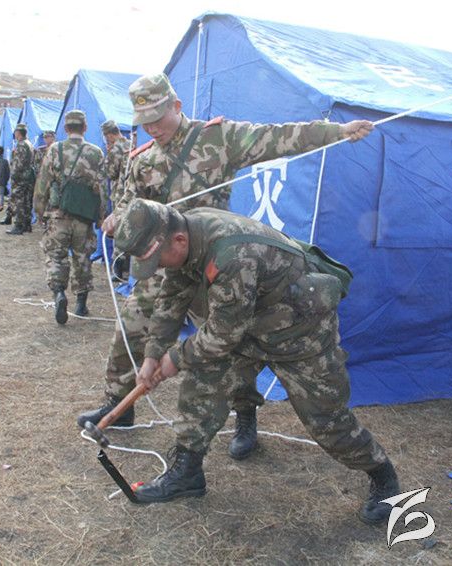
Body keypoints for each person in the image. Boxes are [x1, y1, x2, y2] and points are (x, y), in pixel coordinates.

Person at [78, 73, 374, 461]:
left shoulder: (217, 139)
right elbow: (128, 204)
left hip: (212, 267)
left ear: (176, 106)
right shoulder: (143, 160)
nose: (152, 128)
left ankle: (245, 415)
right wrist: (116, 218)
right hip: (160, 266)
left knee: (229, 348)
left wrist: (337, 132)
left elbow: (278, 138)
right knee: (130, 327)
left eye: (157, 118)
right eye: (143, 122)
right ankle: (119, 402)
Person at [111, 199, 400, 523]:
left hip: (298, 330)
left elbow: (223, 334)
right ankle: (187, 472)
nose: (159, 268)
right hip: (246, 322)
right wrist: (153, 355)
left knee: (326, 419)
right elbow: (172, 298)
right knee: (204, 383)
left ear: (178, 240)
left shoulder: (231, 254)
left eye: (158, 260)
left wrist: (174, 359)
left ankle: (382, 474)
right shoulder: (184, 234)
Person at [34, 110, 103, 324]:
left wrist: (39, 211)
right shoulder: (96, 153)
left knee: (56, 257)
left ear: (65, 129)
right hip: (84, 217)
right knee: (82, 258)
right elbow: (101, 189)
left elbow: (43, 183)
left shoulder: (55, 150)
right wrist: (101, 217)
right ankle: (81, 304)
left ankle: (59, 294)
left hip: (58, 215)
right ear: (85, 128)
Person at [100, 119, 132, 279]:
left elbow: (110, 173)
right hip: (131, 193)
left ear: (110, 135)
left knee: (118, 230)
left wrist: (108, 155)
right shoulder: (130, 144)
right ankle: (127, 268)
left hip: (119, 195)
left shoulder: (115, 149)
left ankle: (118, 269)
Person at [2, 123, 35, 235]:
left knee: (19, 202)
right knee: (27, 202)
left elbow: (18, 164)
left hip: (20, 178)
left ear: (18, 133)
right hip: (27, 177)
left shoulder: (21, 145)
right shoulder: (29, 143)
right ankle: (27, 225)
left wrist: (13, 176)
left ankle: (19, 225)